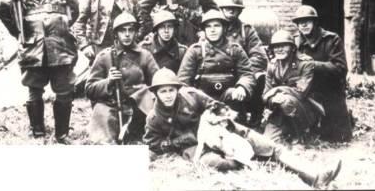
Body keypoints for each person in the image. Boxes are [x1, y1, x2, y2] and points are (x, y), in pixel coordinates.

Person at [144, 68, 342, 189]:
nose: (168, 95)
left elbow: (217, 106)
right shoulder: (154, 118)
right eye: (163, 91)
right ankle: (258, 164)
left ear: (177, 89)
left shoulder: (190, 95)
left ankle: (315, 177)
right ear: (156, 93)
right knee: (218, 163)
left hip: (218, 131)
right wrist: (182, 140)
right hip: (195, 146)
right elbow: (153, 143)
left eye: (171, 90)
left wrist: (221, 118)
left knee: (269, 146)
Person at [0, 0, 79, 144]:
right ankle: (38, 132)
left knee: (64, 88)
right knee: (35, 88)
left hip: (60, 44)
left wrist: (61, 26)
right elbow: (3, 10)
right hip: (34, 44)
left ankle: (62, 134)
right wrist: (19, 33)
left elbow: (74, 8)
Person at [85, 12, 159, 144]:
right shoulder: (104, 56)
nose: (127, 34)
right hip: (111, 106)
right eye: (122, 31)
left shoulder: (145, 55)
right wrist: (108, 81)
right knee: (103, 140)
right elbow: (89, 89)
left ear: (136, 32)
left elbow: (158, 82)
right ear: (116, 34)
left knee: (152, 133)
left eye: (131, 30)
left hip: (139, 107)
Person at [177, 9, 256, 122]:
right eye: (208, 27)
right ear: (204, 30)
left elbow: (247, 74)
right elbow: (183, 81)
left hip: (230, 102)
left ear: (224, 28)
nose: (212, 30)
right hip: (203, 103)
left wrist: (242, 87)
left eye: (216, 26)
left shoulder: (235, 50)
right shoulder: (196, 51)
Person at [292, 5, 352, 142]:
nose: (304, 25)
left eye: (307, 20)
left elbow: (340, 68)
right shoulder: (295, 42)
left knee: (337, 137)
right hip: (306, 90)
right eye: (300, 22)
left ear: (315, 22)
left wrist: (311, 65)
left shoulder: (331, 39)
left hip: (330, 91)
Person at [262, 30, 321, 143]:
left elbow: (301, 92)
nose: (279, 49)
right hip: (279, 109)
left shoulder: (305, 63)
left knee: (286, 101)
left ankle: (303, 135)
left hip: (304, 109)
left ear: (293, 48)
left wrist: (277, 90)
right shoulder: (272, 65)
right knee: (268, 141)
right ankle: (288, 131)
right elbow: (265, 95)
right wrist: (273, 99)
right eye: (276, 46)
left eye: (283, 46)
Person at [74, 0, 139, 63]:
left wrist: (137, 41)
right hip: (100, 47)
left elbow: (143, 20)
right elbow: (79, 23)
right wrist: (84, 46)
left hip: (127, 46)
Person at [219, 0, 268, 126]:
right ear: (221, 9)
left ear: (239, 11)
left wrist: (242, 70)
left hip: (242, 74)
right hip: (220, 74)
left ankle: (254, 118)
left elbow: (259, 56)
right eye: (227, 7)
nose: (230, 10)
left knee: (259, 77)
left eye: (234, 8)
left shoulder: (246, 31)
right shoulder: (214, 28)